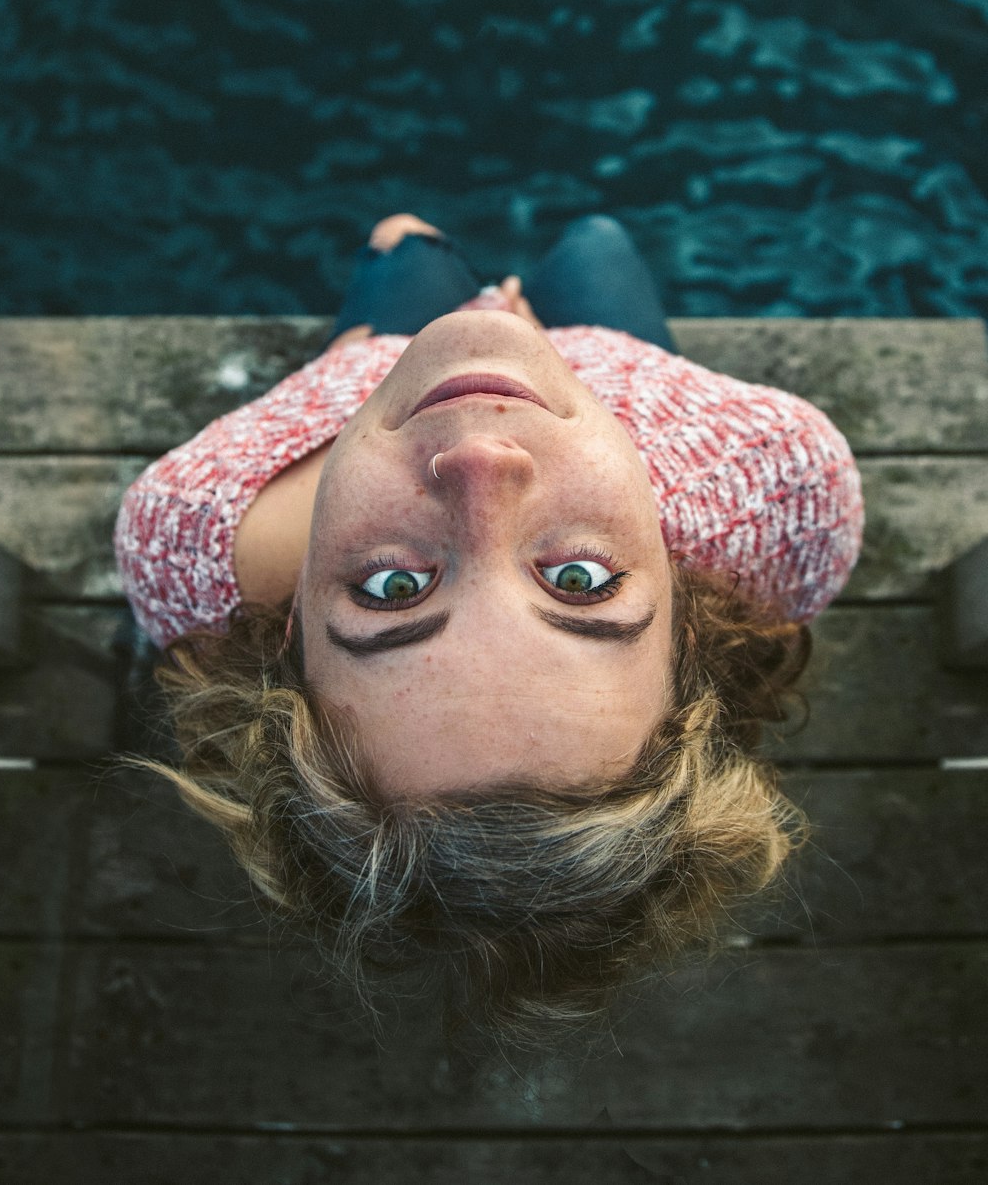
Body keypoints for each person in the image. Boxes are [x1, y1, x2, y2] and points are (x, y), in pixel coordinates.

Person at [114, 213, 863, 1049]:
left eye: (392, 589)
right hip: (621, 358)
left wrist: (371, 360)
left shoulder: (185, 529)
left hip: (377, 365)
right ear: (690, 637)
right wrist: (549, 354)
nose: (482, 464)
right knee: (598, 241)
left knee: (406, 239)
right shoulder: (779, 485)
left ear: (287, 631)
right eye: (580, 582)